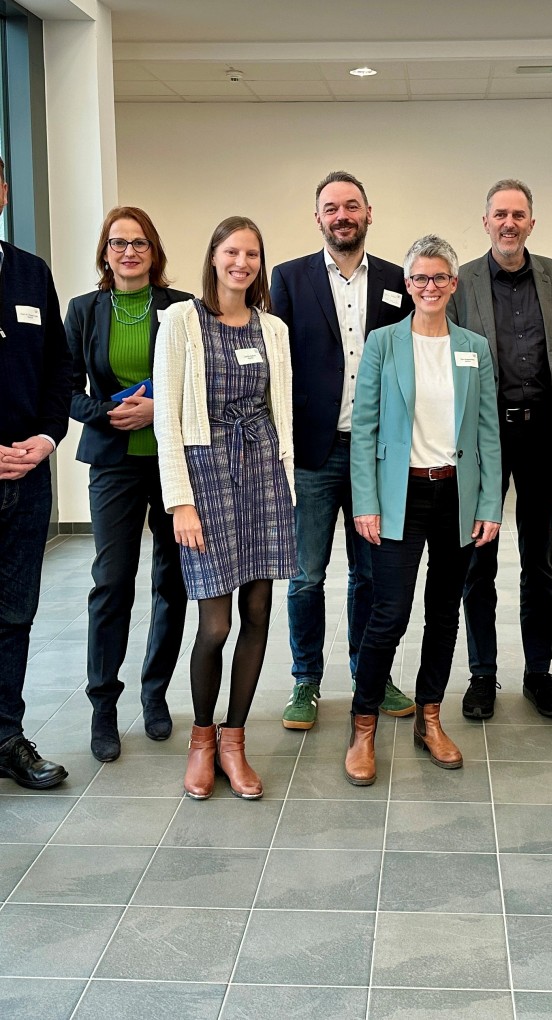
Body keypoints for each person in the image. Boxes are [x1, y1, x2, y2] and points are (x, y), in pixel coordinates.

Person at [345, 235, 502, 786]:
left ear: (453, 285)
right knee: (388, 612)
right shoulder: (384, 343)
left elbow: (487, 432)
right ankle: (363, 725)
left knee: (444, 611)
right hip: (398, 496)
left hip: (456, 495)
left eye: (439, 278)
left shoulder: (474, 348)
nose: (429, 287)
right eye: (419, 278)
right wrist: (365, 500)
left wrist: (490, 505)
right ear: (407, 285)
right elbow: (363, 429)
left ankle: (430, 718)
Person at [154, 216, 296, 800]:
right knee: (215, 623)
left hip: (262, 471)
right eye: (232, 251)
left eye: (252, 254)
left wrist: (286, 481)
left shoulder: (274, 329)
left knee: (259, 615)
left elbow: (279, 410)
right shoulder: (181, 321)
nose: (242, 262)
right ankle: (202, 739)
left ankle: (235, 741)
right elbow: (167, 417)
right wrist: (179, 502)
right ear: (213, 256)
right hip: (205, 474)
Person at [270, 170, 415, 731]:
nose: (342, 216)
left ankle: (368, 673)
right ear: (318, 219)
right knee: (306, 575)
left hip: (374, 453)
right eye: (331, 208)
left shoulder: (397, 280)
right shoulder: (288, 278)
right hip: (311, 451)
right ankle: (306, 680)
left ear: (368, 212)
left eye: (351, 206)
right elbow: (277, 364)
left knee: (370, 575)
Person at [446, 178, 552, 722]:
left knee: (538, 562)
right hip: (485, 437)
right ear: (485, 222)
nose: (509, 222)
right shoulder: (464, 283)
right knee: (479, 559)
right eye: (499, 214)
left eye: (518, 214)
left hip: (543, 437)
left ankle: (538, 671)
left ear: (531, 221)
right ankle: (482, 675)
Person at [66, 207, 191, 763]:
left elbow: (198, 381)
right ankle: (103, 705)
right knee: (112, 582)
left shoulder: (181, 308)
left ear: (154, 250)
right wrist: (107, 413)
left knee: (173, 580)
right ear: (105, 252)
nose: (129, 251)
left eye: (139, 242)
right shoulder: (84, 310)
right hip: (114, 460)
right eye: (119, 243)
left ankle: (155, 692)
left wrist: (156, 412)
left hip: (172, 462)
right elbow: (63, 387)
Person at [0, 154, 72, 789]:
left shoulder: (29, 273)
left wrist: (48, 437)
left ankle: (5, 735)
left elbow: (58, 370)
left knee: (15, 613)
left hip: (27, 478)